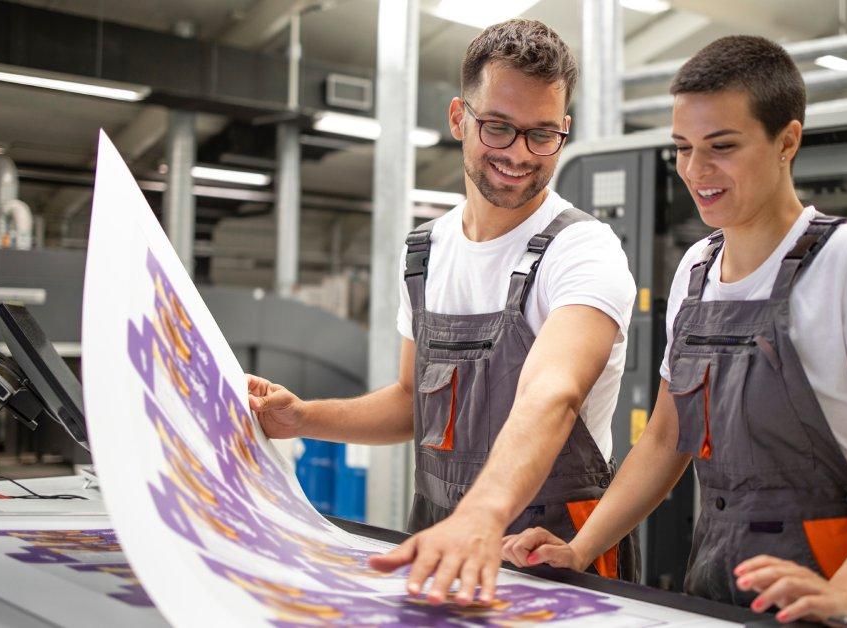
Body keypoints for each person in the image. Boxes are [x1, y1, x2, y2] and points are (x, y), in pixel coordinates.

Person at [499, 35, 847, 627]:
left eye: (722, 147)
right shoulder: (696, 270)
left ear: (786, 141)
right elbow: (667, 441)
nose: (696, 171)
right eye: (683, 149)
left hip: (829, 583)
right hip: (714, 577)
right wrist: (582, 550)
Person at [247, 18, 640, 605]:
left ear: (564, 130)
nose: (518, 154)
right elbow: (413, 401)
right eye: (498, 128)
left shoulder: (583, 250)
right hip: (440, 535)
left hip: (552, 547)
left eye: (542, 135)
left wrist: (482, 516)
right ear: (459, 118)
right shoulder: (425, 254)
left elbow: (552, 394)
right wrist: (304, 418)